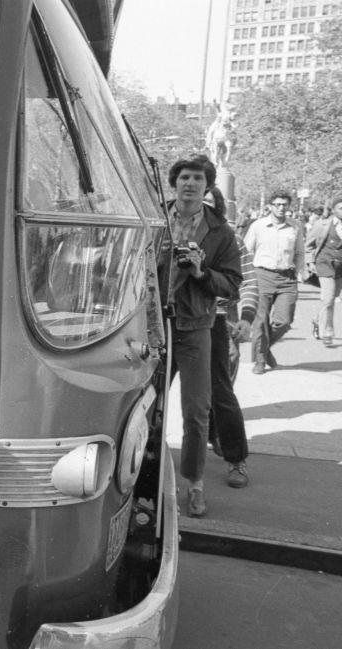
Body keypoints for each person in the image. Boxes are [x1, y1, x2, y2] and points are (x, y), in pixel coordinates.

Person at [159, 154, 241, 517]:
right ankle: (145, 483)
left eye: (197, 179)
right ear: (174, 183)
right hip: (153, 326)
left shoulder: (220, 231)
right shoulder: (154, 219)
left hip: (195, 329)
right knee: (143, 410)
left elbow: (233, 285)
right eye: (184, 177)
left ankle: (194, 484)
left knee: (195, 412)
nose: (190, 184)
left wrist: (201, 272)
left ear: (207, 186)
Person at [204, 186, 256, 488]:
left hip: (216, 321)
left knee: (221, 391)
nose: (204, 208)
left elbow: (249, 281)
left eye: (210, 204)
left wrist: (246, 319)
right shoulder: (172, 231)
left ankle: (237, 459)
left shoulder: (230, 238)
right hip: (173, 321)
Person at [243, 189, 306, 374]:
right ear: (270, 206)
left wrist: (299, 272)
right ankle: (260, 360)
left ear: (288, 207)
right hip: (262, 276)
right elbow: (246, 251)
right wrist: (247, 277)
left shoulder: (295, 227)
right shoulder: (258, 226)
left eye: (284, 205)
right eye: (277, 204)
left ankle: (265, 347)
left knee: (284, 321)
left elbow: (300, 252)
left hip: (287, 277)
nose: (280, 208)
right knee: (260, 321)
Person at [306, 196, 342, 346]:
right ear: (333, 210)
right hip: (325, 264)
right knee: (327, 298)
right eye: (340, 208)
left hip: (340, 266)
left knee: (332, 298)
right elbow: (309, 245)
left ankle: (316, 319)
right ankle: (328, 332)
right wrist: (310, 261)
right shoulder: (322, 224)